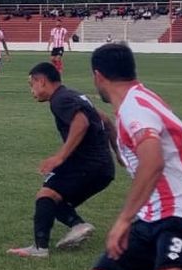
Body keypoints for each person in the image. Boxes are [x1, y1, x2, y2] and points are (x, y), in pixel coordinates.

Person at [84, 44, 182, 270]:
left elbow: (153, 161)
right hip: (154, 215)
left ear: (98, 76)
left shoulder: (135, 107)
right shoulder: (136, 100)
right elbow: (138, 157)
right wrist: (111, 131)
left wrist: (124, 219)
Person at [8, 62, 117, 258]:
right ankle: (77, 226)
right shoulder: (74, 95)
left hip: (86, 164)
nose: (31, 90)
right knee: (54, 198)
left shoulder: (60, 99)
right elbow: (107, 120)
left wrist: (60, 156)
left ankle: (40, 248)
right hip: (104, 169)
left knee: (46, 195)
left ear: (41, 81)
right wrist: (118, 154)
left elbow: (81, 123)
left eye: (31, 84)